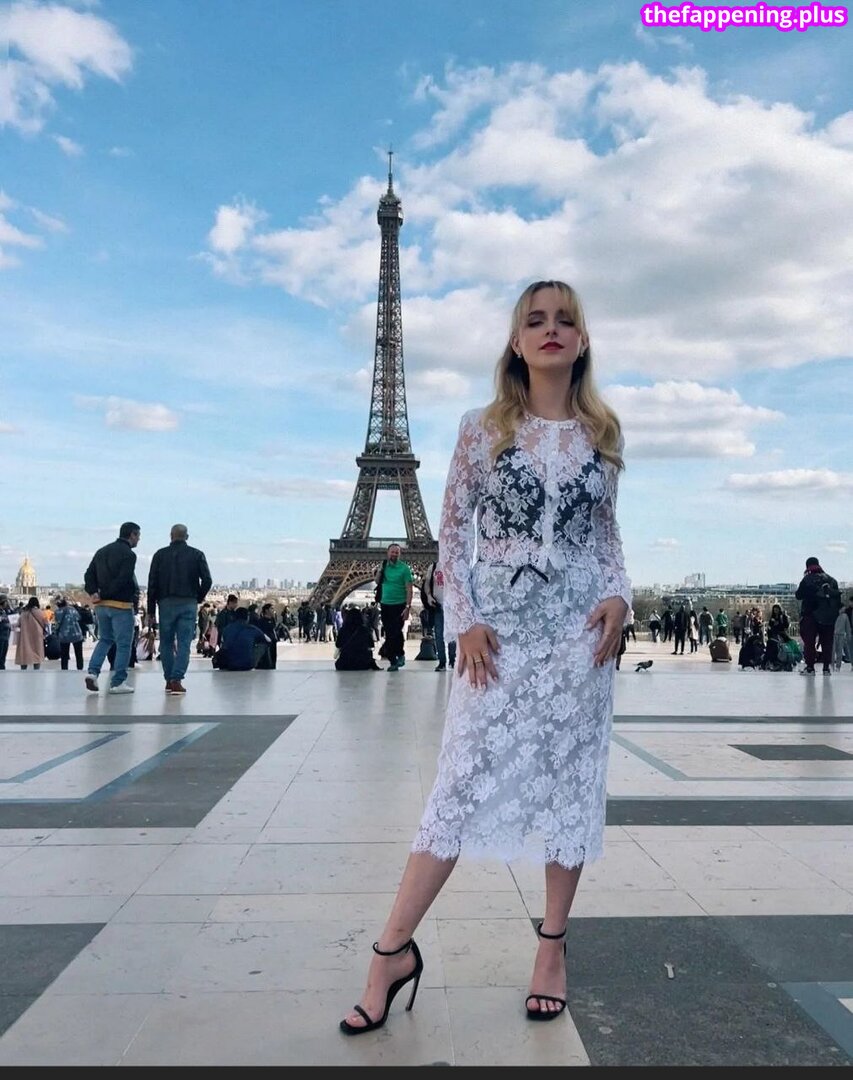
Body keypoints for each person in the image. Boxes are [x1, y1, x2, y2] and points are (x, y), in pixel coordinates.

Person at [340, 279, 630, 1034]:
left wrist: (620, 596)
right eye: (535, 320)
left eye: (564, 319)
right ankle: (391, 950)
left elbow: (606, 538)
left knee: (570, 791)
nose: (550, 329)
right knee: (455, 790)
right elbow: (450, 537)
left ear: (582, 340)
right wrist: (463, 622)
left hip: (578, 642)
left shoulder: (602, 432)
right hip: (495, 641)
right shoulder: (481, 429)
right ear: (515, 341)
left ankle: (551, 949)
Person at [146, 524, 212, 695]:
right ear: (187, 537)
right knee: (184, 643)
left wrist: (151, 610)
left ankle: (169, 679)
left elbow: (152, 584)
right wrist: (198, 597)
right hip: (188, 601)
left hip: (165, 602)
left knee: (166, 643)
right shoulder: (197, 554)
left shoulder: (160, 555)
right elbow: (207, 580)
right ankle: (177, 679)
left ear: (171, 536)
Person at [83, 521, 141, 694]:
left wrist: (94, 592)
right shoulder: (129, 555)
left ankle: (93, 672)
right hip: (121, 605)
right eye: (138, 536)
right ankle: (118, 682)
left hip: (101, 606)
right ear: (132, 535)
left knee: (105, 639)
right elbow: (123, 579)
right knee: (124, 644)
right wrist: (107, 593)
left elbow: (88, 574)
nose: (138, 540)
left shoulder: (102, 551)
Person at [795, 556, 841, 675]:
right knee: (827, 643)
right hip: (828, 617)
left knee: (810, 643)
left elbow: (798, 595)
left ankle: (810, 668)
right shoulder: (831, 580)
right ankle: (826, 668)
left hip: (811, 615)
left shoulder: (807, 579)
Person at [375, 542, 413, 672]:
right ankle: (393, 660)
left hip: (400, 604)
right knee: (389, 632)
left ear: (400, 554)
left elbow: (409, 589)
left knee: (396, 631)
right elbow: (377, 581)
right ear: (388, 553)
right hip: (385, 604)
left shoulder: (404, 569)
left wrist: (407, 607)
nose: (394, 554)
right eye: (392, 552)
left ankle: (400, 654)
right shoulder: (384, 566)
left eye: (397, 552)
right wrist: (380, 570)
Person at [334, 606, 380, 671]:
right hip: (363, 663)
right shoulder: (365, 630)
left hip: (345, 663)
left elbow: (338, 644)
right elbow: (371, 645)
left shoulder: (343, 630)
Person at [15, 597, 47, 669]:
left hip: (25, 636)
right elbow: (45, 623)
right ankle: (36, 670)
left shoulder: (24, 613)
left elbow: (18, 624)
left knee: (24, 653)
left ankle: (23, 669)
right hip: (37, 636)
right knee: (37, 654)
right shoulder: (40, 612)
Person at [54, 596, 84, 670]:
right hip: (76, 633)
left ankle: (64, 669)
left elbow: (57, 624)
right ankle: (80, 668)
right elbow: (79, 618)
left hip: (64, 635)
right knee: (79, 654)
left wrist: (56, 632)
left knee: (64, 655)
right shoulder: (72, 609)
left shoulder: (57, 612)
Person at [253, 603, 278, 669]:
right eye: (271, 608)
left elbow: (273, 629)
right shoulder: (261, 621)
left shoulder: (273, 620)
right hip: (266, 644)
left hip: (273, 642)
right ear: (266, 610)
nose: (273, 610)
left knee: (273, 658)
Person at [0, 594, 11, 670]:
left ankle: (2, 669)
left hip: (5, 636)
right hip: (1, 636)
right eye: (6, 602)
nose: (7, 603)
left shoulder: (5, 611)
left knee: (3, 656)